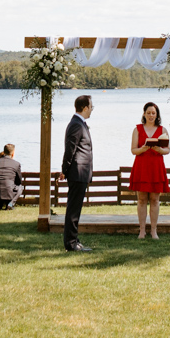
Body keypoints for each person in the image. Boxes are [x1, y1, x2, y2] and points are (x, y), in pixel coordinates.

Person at [127, 101, 170, 239]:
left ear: (157, 115)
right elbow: (133, 150)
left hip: (156, 166)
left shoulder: (163, 130)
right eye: (148, 113)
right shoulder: (137, 130)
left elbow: (168, 149)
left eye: (153, 113)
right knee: (141, 199)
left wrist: (159, 149)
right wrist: (143, 149)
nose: (151, 115)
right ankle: (141, 230)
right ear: (144, 114)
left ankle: (153, 230)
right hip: (142, 166)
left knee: (155, 199)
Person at [59, 94, 94, 251]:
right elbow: (70, 149)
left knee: (75, 209)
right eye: (91, 107)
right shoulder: (76, 124)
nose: (92, 110)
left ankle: (74, 240)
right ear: (85, 107)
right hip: (77, 172)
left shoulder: (80, 124)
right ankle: (71, 244)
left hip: (81, 173)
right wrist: (64, 170)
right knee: (73, 210)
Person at [0, 145, 22, 211]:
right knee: (20, 187)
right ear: (13, 153)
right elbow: (19, 181)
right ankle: (10, 205)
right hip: (9, 192)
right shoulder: (16, 164)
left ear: (4, 151)